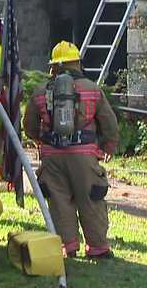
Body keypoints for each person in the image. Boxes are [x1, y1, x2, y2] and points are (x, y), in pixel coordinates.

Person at [22, 41, 119, 259]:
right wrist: (108, 146)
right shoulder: (92, 89)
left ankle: (68, 247)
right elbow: (109, 123)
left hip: (52, 158)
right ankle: (98, 249)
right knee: (91, 200)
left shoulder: (40, 91)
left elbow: (28, 125)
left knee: (59, 202)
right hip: (84, 157)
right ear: (77, 62)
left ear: (54, 66)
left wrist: (41, 140)